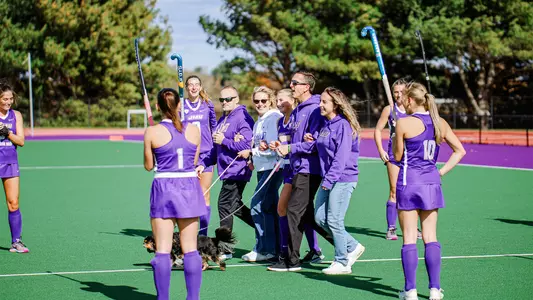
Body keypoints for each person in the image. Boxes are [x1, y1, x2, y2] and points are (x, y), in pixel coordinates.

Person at [393, 82, 465, 300]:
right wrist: (440, 172)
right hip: (431, 183)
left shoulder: (403, 123)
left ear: (411, 100)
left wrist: (395, 135)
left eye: (404, 98)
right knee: (430, 237)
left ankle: (410, 291)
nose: (401, 102)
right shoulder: (439, 122)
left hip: (408, 182)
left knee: (408, 238)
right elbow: (459, 151)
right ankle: (435, 289)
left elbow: (397, 156)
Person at [144, 88, 206, 300]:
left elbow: (148, 165)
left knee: (162, 250)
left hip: (164, 188)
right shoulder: (194, 130)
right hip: (189, 187)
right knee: (191, 249)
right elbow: (194, 161)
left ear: (158, 107)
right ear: (179, 105)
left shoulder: (152, 131)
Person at [268, 71, 333, 272]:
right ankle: (347, 246)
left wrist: (291, 148)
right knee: (305, 215)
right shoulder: (297, 111)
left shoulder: (314, 109)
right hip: (297, 168)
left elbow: (313, 144)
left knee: (294, 211)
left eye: (295, 83)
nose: (291, 85)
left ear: (306, 87)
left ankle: (291, 260)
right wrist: (282, 144)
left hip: (309, 169)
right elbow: (297, 140)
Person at [308, 87, 366, 275]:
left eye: (324, 102)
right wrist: (313, 139)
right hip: (329, 179)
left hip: (342, 179)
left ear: (336, 104)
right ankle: (353, 246)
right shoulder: (327, 124)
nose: (320, 105)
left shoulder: (343, 125)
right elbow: (324, 145)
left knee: (334, 220)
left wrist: (328, 180)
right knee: (319, 218)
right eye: (321, 101)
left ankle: (342, 262)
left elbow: (341, 158)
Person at [196, 86, 255, 260]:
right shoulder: (224, 119)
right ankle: (266, 229)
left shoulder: (243, 118)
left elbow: (247, 146)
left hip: (237, 169)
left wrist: (226, 140)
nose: (224, 103)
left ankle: (225, 248)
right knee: (235, 206)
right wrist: (204, 163)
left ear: (237, 99)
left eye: (228, 99)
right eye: (222, 100)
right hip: (226, 170)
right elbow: (216, 148)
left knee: (224, 205)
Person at [374, 78, 424, 240]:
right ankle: (391, 228)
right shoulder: (389, 110)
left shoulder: (413, 111)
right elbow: (377, 130)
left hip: (411, 157)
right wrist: (381, 150)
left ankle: (413, 227)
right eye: (395, 92)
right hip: (394, 156)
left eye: (401, 92)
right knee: (394, 191)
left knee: (411, 191)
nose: (398, 95)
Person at [239, 86, 284, 262]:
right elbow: (260, 145)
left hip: (273, 167)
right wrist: (253, 158)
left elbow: (274, 148)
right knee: (269, 208)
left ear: (270, 100)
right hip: (262, 168)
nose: (259, 104)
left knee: (258, 206)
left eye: (263, 100)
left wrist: (252, 153)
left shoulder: (274, 118)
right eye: (256, 101)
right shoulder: (259, 121)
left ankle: (264, 249)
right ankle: (274, 248)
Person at [183, 75, 217, 236]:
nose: (194, 87)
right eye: (190, 84)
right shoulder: (181, 106)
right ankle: (188, 230)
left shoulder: (207, 105)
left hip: (206, 155)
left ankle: (202, 233)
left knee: (204, 193)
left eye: (197, 84)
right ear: (186, 87)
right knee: (188, 195)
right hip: (188, 156)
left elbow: (214, 127)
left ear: (201, 86)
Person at [0, 83, 28, 253]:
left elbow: (21, 141)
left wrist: (7, 133)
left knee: (13, 203)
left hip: (10, 162)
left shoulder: (16, 115)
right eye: (5, 99)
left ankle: (16, 241)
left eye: (10, 98)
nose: (8, 102)